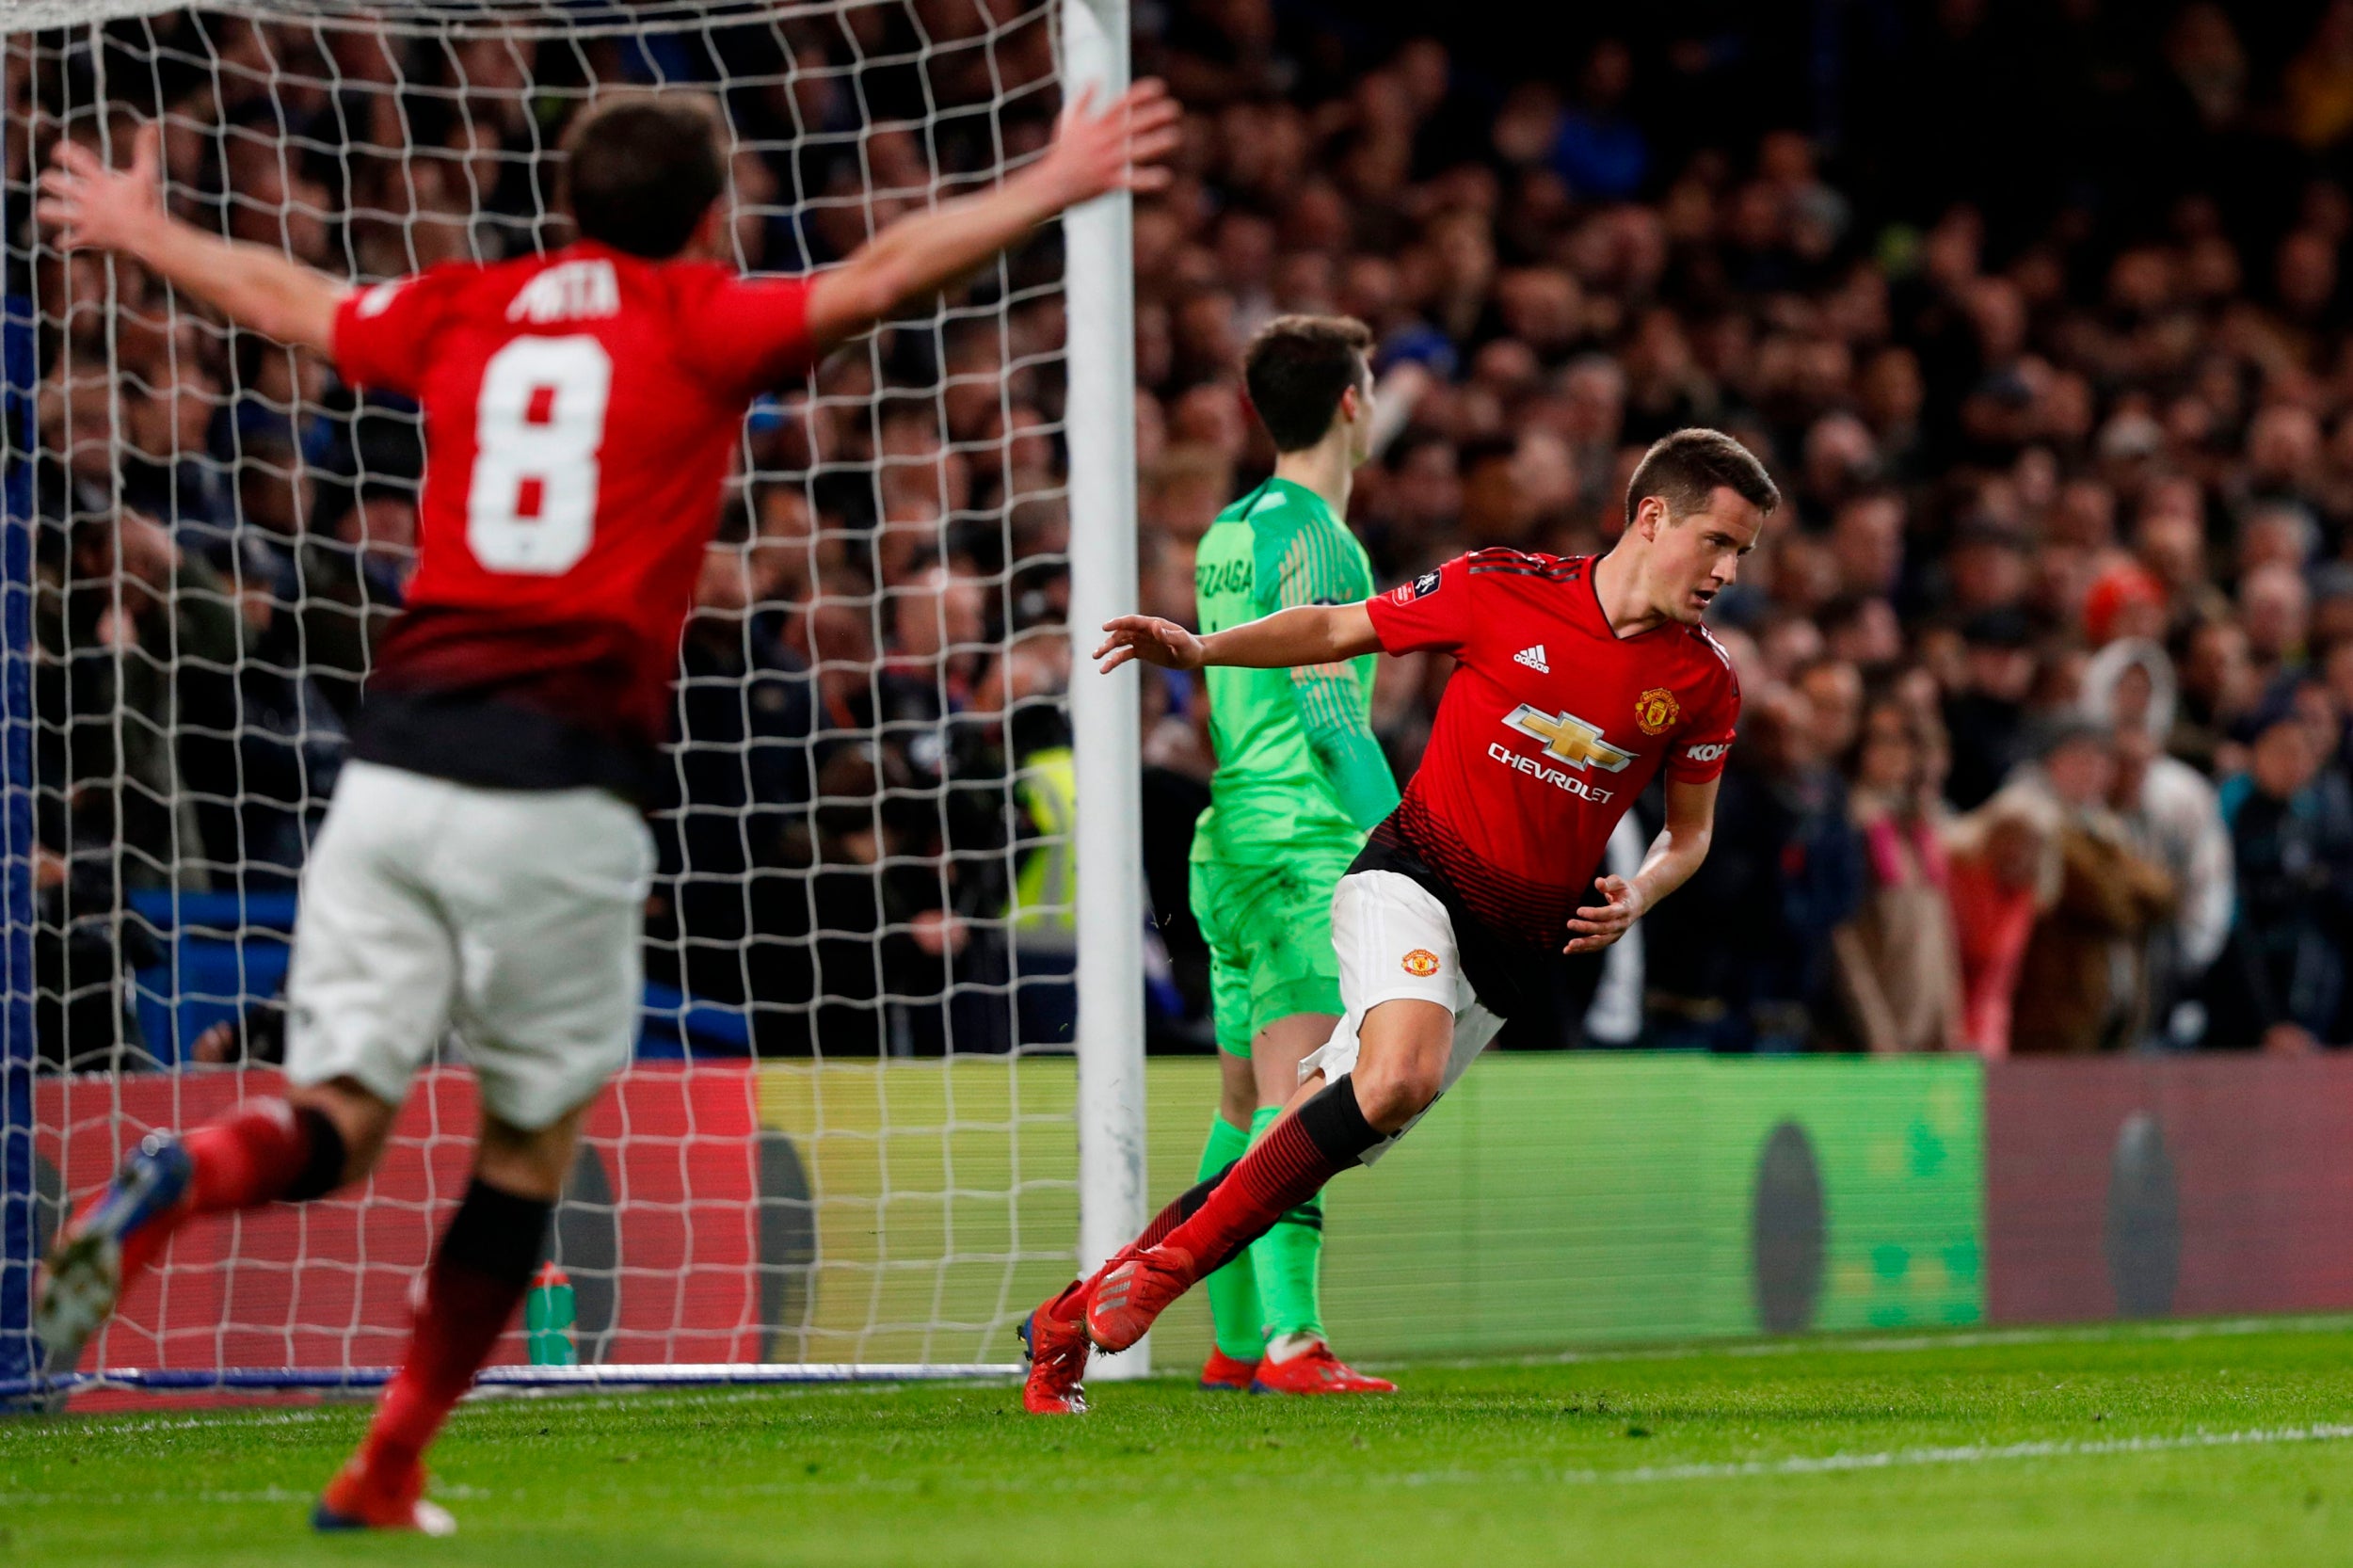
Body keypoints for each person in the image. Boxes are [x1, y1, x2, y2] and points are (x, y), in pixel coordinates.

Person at [33, 81, 1179, 1530]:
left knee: (335, 1117)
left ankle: (181, 1168)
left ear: (568, 204)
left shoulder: (471, 306)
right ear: (714, 220)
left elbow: (289, 297)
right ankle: (386, 1462)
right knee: (524, 1153)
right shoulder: (700, 319)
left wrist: (138, 225)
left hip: (387, 770)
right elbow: (885, 271)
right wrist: (1053, 176)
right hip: (558, 782)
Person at [1021, 427, 1775, 1414]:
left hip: (1507, 957)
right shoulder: (1502, 587)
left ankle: (1069, 1319)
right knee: (1399, 1074)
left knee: (1296, 1147)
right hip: (1411, 877)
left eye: (1742, 555)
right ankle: (1160, 1287)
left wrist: (1642, 890)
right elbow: (1339, 629)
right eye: (1717, 541)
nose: (1726, 570)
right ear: (1650, 517)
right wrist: (1204, 650)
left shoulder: (1703, 682)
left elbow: (1688, 835)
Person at [1186, 314, 1397, 1397]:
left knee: (1237, 1105)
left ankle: (1230, 1344)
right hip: (1297, 840)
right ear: (1352, 402)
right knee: (1301, 1097)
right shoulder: (1317, 537)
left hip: (1225, 840)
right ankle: (1291, 1340)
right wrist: (1411, 843)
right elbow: (1326, 711)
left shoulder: (1226, 531)